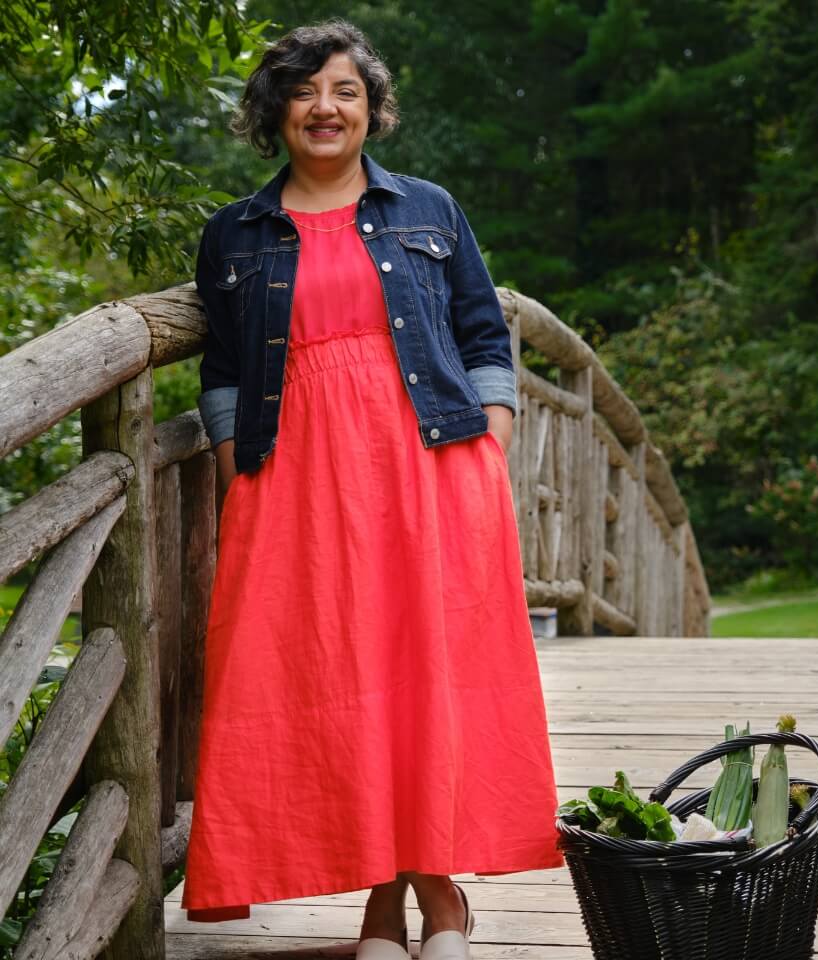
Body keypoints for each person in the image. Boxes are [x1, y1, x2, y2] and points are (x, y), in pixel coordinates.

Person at [180, 18, 564, 960]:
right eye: (305, 91)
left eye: (344, 91)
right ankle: (392, 908)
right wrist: (236, 468)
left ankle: (430, 906)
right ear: (275, 111)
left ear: (371, 109)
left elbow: (484, 334)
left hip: (427, 470)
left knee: (425, 678)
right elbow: (223, 369)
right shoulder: (234, 233)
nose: (325, 108)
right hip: (298, 485)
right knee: (340, 681)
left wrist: (490, 445)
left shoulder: (429, 209)